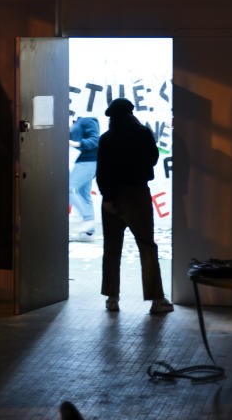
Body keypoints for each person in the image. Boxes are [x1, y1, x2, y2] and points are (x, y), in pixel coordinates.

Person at [96, 98, 173, 314]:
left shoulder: (107, 139)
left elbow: (102, 172)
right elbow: (154, 159)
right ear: (131, 114)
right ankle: (157, 301)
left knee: (112, 248)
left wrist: (108, 198)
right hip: (138, 194)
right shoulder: (143, 134)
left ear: (112, 117)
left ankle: (112, 299)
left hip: (113, 196)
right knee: (147, 246)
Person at [68, 116, 99, 239]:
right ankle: (88, 232)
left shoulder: (86, 121)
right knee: (83, 193)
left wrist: (74, 143)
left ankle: (88, 219)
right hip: (87, 161)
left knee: (68, 188)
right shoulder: (75, 127)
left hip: (88, 161)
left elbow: (95, 140)